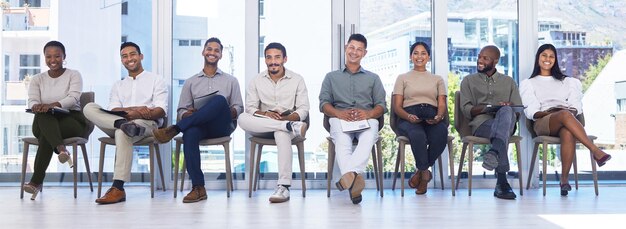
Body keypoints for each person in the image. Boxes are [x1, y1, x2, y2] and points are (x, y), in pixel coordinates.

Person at [152, 37, 244, 203]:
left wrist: (219, 110)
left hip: (221, 125)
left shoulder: (231, 81)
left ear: (221, 55)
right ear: (203, 52)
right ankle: (198, 187)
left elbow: (238, 108)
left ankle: (174, 129)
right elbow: (181, 111)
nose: (212, 53)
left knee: (219, 100)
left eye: (217, 50)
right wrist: (191, 114)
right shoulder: (190, 82)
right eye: (209, 49)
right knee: (190, 133)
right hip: (200, 126)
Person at [520, 43, 612, 196]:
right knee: (564, 115)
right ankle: (595, 151)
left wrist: (568, 112)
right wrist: (554, 113)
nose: (547, 59)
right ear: (538, 58)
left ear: (555, 60)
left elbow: (576, 105)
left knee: (567, 131)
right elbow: (531, 111)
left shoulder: (569, 82)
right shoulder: (529, 83)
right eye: (544, 55)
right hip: (544, 120)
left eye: (551, 56)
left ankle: (564, 180)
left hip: (567, 118)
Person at [83, 42, 168, 204]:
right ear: (121, 60)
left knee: (122, 132)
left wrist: (133, 112)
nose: (129, 58)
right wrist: (135, 110)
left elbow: (161, 110)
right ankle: (122, 124)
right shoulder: (118, 85)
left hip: (146, 124)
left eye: (133, 54)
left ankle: (118, 188)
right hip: (117, 122)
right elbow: (112, 109)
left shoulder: (156, 80)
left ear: (141, 56)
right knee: (89, 107)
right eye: (124, 56)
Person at [237, 42, 309, 203]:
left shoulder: (297, 80)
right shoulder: (256, 80)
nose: (273, 61)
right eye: (269, 57)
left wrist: (287, 119)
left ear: (285, 59)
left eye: (277, 57)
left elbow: (304, 109)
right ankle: (287, 126)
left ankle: (283, 187)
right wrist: (266, 114)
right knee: (242, 118)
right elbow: (250, 108)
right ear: (265, 60)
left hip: (287, 122)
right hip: (262, 124)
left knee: (281, 132)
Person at [319, 34, 386, 204]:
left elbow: (381, 105)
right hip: (339, 117)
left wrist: (368, 114)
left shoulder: (373, 78)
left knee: (370, 133)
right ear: (345, 48)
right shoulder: (331, 77)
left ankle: (349, 176)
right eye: (351, 47)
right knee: (342, 140)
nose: (354, 52)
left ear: (364, 53)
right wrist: (338, 113)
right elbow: (323, 104)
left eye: (359, 49)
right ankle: (355, 179)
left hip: (366, 118)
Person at [23, 41, 86, 200]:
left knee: (46, 135)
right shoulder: (37, 79)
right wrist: (37, 107)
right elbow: (32, 100)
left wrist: (53, 105)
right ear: (44, 57)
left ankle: (35, 182)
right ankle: (61, 148)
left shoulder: (74, 74)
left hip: (71, 120)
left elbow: (73, 98)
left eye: (57, 56)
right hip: (42, 121)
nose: (53, 60)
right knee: (44, 115)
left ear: (64, 56)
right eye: (49, 56)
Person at [459, 45, 522, 200]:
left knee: (507, 111)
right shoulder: (468, 81)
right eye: (479, 56)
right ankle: (502, 182)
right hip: (481, 125)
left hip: (507, 122)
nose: (480, 60)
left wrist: (505, 108)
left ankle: (494, 152)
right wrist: (488, 108)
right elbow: (466, 109)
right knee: (502, 132)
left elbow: (518, 109)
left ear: (495, 61)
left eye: (485, 58)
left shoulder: (509, 82)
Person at [392, 42, 448, 195]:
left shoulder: (437, 79)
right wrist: (408, 116)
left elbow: (442, 104)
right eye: (416, 53)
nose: (419, 56)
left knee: (441, 133)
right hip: (408, 115)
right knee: (418, 135)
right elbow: (397, 106)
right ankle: (425, 176)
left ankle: (421, 171)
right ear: (411, 57)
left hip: (431, 114)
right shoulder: (402, 78)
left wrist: (439, 116)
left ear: (428, 57)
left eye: (423, 53)